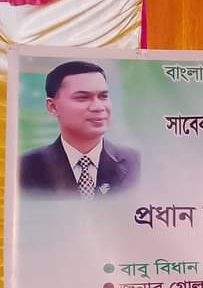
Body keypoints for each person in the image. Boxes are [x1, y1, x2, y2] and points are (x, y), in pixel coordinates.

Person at [20, 60, 139, 197]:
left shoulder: (135, 163)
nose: (98, 107)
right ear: (53, 107)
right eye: (82, 98)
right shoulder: (25, 167)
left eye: (103, 96)